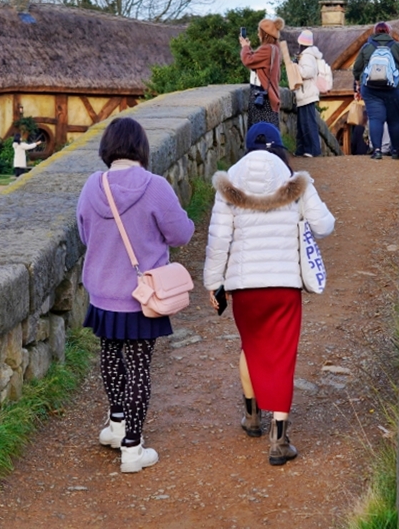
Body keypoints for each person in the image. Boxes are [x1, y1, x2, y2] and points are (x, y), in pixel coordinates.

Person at [204, 122, 335, 466]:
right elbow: (324, 226)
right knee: (282, 354)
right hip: (283, 286)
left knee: (252, 345)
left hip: (244, 289)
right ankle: (279, 439)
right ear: (278, 147)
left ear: (247, 148)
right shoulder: (297, 183)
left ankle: (251, 418)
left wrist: (212, 283)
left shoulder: (228, 184)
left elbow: (219, 241)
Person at [77, 117, 195, 473]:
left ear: (107, 148)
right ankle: (132, 448)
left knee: (111, 356)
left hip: (103, 292)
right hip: (142, 295)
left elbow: (85, 234)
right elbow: (180, 234)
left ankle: (116, 427)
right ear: (141, 148)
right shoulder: (154, 186)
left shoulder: (91, 186)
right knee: (139, 366)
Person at [352, 22, 399, 160]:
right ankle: (396, 151)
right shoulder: (398, 47)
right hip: (395, 88)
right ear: (389, 32)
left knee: (375, 118)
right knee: (395, 120)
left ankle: (377, 150)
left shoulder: (367, 47)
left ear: (375, 32)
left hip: (371, 89)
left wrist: (357, 84)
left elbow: (357, 68)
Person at [240, 17, 285, 129]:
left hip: (261, 94)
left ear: (264, 34)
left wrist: (245, 47)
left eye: (259, 32)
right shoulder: (275, 48)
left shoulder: (267, 49)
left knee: (259, 131)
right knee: (268, 131)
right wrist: (248, 48)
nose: (258, 34)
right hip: (267, 94)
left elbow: (248, 61)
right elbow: (257, 61)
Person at [293, 30, 324, 158]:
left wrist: (296, 67)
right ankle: (304, 149)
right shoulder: (308, 55)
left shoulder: (307, 56)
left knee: (308, 122)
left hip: (307, 93)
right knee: (303, 123)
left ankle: (313, 149)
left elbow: (307, 72)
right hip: (306, 93)